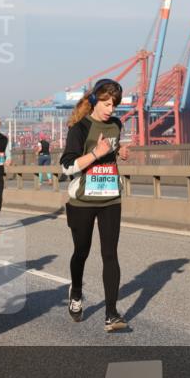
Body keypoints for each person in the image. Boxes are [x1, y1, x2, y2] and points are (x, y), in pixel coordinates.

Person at [60, 78, 131, 331]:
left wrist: (119, 151)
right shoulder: (79, 128)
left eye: (115, 104)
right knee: (82, 251)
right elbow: (67, 166)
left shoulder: (116, 125)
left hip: (110, 198)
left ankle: (111, 314)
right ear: (95, 102)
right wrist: (96, 154)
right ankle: (76, 292)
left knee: (110, 254)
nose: (112, 109)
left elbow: (111, 147)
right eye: (107, 103)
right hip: (82, 201)